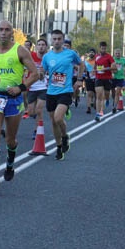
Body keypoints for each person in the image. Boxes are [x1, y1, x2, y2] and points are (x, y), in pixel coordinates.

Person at [0, 20, 39, 191]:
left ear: (12, 33)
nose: (4, 33)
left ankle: (9, 163)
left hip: (13, 99)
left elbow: (35, 74)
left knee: (11, 139)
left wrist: (20, 88)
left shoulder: (20, 50)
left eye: (7, 30)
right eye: (0, 29)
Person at [41, 30, 83, 161]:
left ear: (63, 39)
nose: (57, 41)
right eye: (54, 39)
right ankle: (59, 147)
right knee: (54, 122)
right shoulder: (47, 56)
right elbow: (43, 71)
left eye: (59, 39)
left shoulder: (70, 54)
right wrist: (40, 74)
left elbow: (81, 64)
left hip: (65, 91)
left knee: (58, 118)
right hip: (51, 92)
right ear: (51, 40)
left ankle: (65, 136)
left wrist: (80, 79)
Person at [92, 41, 116, 121]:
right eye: (102, 48)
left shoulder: (109, 57)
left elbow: (114, 68)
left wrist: (105, 69)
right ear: (99, 48)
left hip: (107, 78)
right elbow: (95, 65)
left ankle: (107, 99)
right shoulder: (97, 56)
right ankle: (98, 114)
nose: (103, 50)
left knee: (106, 95)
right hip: (98, 78)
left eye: (104, 49)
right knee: (99, 95)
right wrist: (94, 70)